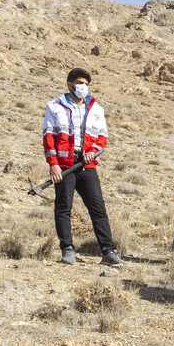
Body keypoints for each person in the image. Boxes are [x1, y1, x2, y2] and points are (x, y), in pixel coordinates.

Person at [42, 68, 120, 266]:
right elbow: (48, 138)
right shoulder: (54, 107)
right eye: (79, 83)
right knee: (63, 208)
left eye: (86, 83)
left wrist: (92, 151)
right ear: (69, 85)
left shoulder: (96, 109)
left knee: (98, 209)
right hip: (64, 166)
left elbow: (103, 137)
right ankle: (67, 250)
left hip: (87, 165)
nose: (83, 87)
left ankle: (109, 251)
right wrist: (54, 165)